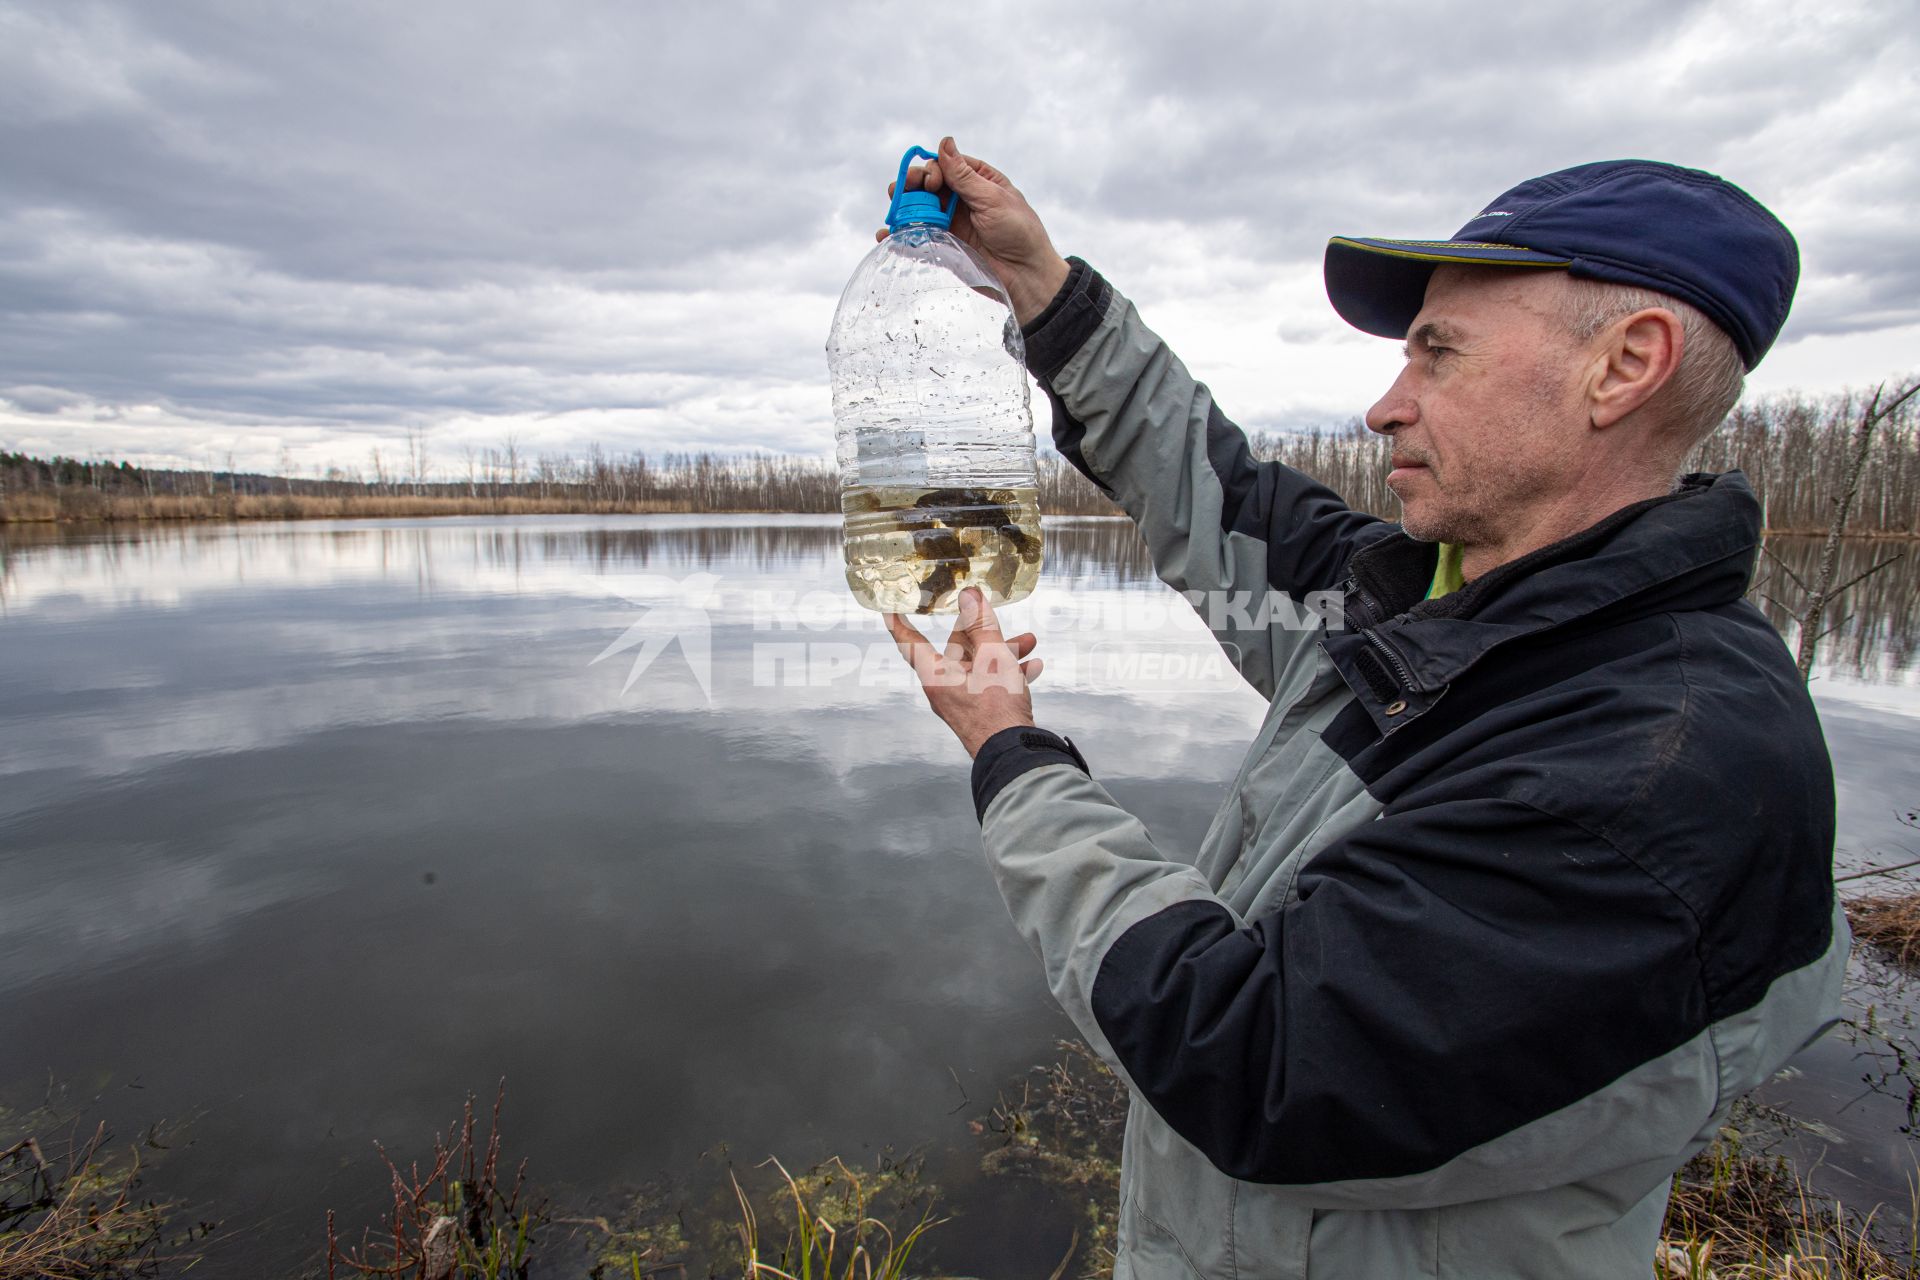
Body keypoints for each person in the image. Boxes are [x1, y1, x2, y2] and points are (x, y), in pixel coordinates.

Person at [882, 138, 1848, 1279]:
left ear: (1625, 366)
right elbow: (1214, 492)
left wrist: (1015, 755)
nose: (1386, 404)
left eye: (1437, 354)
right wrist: (1039, 280)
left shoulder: (1655, 769)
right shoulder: (1434, 603)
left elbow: (1251, 1056)